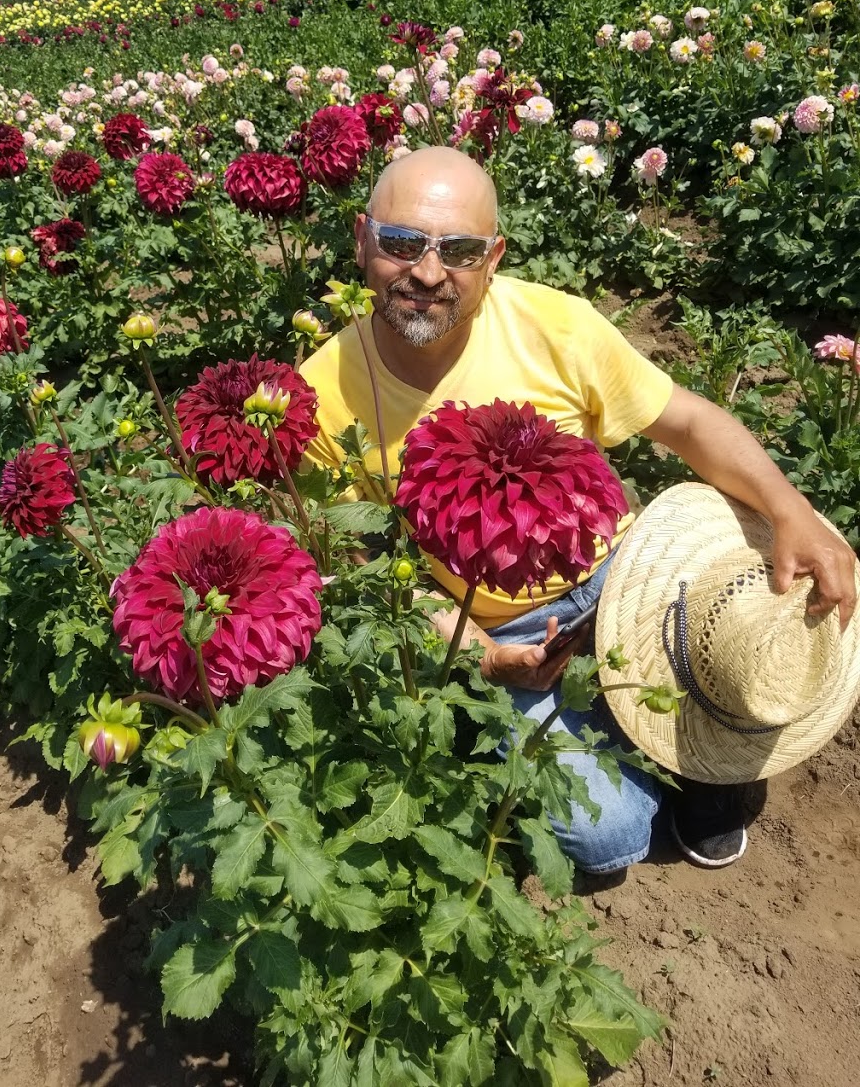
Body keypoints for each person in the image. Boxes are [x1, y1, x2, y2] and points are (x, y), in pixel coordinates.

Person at [299, 146, 858, 872]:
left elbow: (686, 421)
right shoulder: (323, 396)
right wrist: (482, 654)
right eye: (402, 243)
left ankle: (703, 752)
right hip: (498, 623)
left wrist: (792, 508)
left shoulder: (554, 325)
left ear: (493, 257)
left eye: (460, 250)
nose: (428, 273)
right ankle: (667, 740)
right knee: (610, 837)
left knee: (751, 626)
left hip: (627, 572)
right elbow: (374, 575)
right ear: (361, 238)